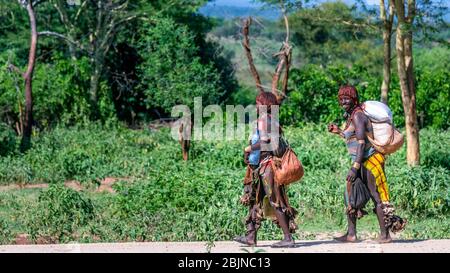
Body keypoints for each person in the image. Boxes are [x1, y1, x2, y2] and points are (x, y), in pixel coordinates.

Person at [328, 85, 406, 243]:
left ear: (354, 99)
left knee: (375, 196)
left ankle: (385, 235)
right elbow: (353, 137)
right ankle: (351, 234)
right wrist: (338, 131)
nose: (343, 101)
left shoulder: (358, 116)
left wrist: (354, 167)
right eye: (341, 98)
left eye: (347, 98)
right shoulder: (351, 116)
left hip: (370, 161)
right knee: (349, 195)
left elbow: (362, 144)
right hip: (360, 161)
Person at [234, 92, 297, 248]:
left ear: (265, 105)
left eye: (258, 103)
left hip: (266, 167)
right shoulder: (272, 120)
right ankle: (250, 237)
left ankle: (288, 238)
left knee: (276, 202)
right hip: (262, 167)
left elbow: (265, 142)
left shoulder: (263, 120)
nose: (256, 105)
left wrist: (249, 148)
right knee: (254, 201)